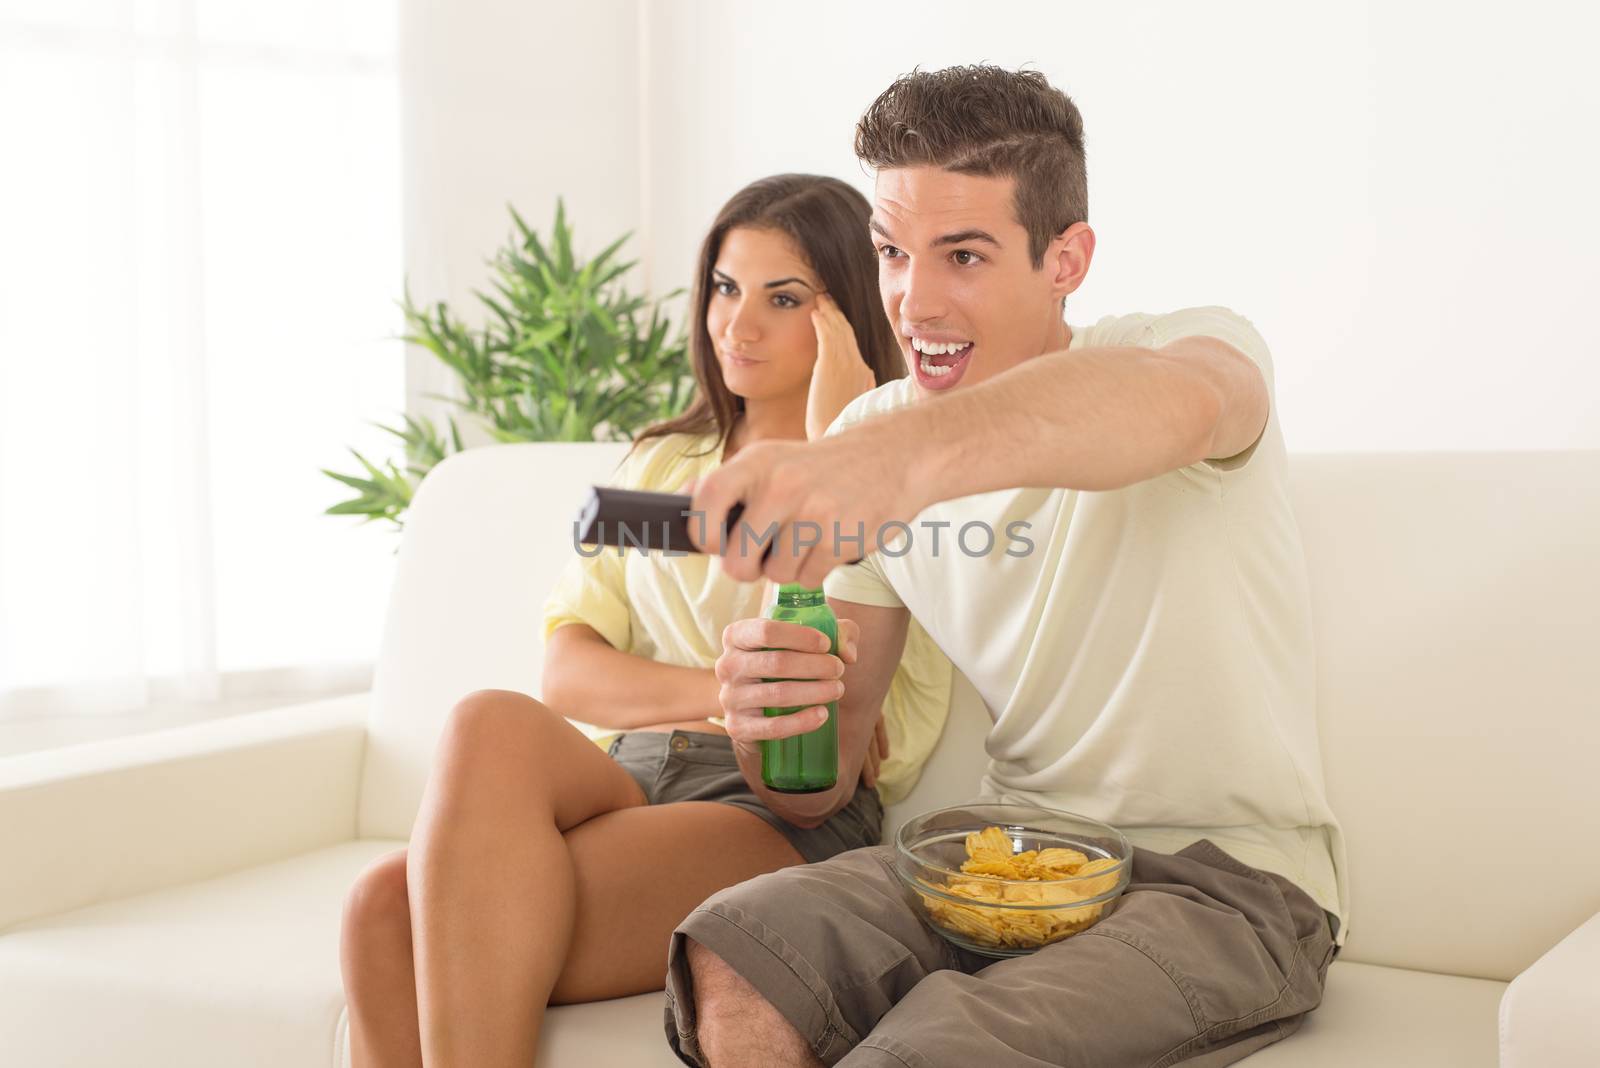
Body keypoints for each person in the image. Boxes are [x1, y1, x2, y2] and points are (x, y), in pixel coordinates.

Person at [669, 66, 1351, 1067]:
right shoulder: (871, 436)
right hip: (996, 854)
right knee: (736, 950)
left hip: (1224, 883)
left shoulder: (1188, 350)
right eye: (892, 254)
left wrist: (884, 460)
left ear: (1065, 258)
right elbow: (811, 792)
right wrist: (771, 716)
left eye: (964, 255)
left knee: (941, 1046)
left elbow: (1174, 403)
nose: (914, 299)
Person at [337, 174, 953, 1067]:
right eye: (724, 288)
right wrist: (727, 690)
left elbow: (845, 735)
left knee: (389, 916)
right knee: (484, 726)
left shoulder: (891, 477)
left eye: (783, 299)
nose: (738, 324)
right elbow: (569, 671)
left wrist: (839, 438)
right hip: (625, 774)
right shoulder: (663, 462)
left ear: (846, 319)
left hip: (776, 809)